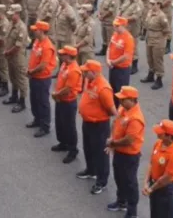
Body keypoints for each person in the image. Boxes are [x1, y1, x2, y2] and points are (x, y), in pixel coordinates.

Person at [77, 60, 117, 195]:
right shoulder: (89, 80)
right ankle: (91, 170)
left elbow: (112, 110)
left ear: (93, 72)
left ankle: (102, 181)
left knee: (101, 153)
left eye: (86, 71)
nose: (84, 72)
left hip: (99, 125)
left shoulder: (104, 88)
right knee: (88, 147)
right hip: (87, 122)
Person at [106, 86, 145, 217]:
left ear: (132, 100)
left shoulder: (136, 118)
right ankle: (121, 201)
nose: (120, 102)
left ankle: (132, 211)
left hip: (129, 155)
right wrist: (112, 138)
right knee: (119, 177)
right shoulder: (123, 109)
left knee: (130, 182)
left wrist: (113, 143)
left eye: (123, 99)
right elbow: (115, 123)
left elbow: (129, 140)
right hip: (119, 151)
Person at [142, 120, 173, 218]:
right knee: (155, 213)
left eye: (161, 133)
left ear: (169, 136)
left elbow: (166, 178)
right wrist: (146, 182)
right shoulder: (158, 143)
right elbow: (152, 163)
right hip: (155, 185)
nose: (158, 133)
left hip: (166, 189)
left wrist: (151, 188)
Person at [52, 45, 83, 164]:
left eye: (63, 54)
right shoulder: (65, 65)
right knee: (60, 123)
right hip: (60, 99)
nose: (60, 55)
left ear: (69, 56)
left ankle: (72, 150)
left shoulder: (74, 70)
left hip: (68, 101)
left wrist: (56, 94)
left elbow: (68, 89)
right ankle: (63, 143)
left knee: (69, 126)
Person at [27, 21, 57, 138]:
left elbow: (43, 65)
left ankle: (45, 126)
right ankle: (37, 119)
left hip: (42, 78)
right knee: (34, 99)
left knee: (43, 102)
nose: (34, 31)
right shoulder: (37, 41)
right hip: (34, 76)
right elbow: (33, 57)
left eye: (36, 30)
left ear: (41, 31)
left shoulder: (47, 46)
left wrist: (31, 71)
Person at [4, 4, 29, 112]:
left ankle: (22, 101)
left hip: (17, 56)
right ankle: (14, 96)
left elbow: (18, 46)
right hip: (10, 55)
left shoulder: (21, 28)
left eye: (12, 14)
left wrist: (7, 52)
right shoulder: (11, 23)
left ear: (17, 14)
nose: (10, 16)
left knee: (21, 79)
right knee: (12, 76)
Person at [141, 0, 170, 89]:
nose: (152, 5)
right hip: (149, 38)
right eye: (151, 4)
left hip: (158, 40)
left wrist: (161, 40)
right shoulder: (150, 13)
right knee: (150, 58)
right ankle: (151, 74)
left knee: (157, 60)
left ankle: (159, 79)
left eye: (154, 4)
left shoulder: (162, 16)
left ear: (159, 4)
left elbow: (166, 30)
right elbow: (146, 24)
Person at [106, 17, 134, 108]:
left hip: (122, 69)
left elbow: (126, 56)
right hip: (113, 66)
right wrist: (107, 60)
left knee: (121, 91)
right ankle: (114, 107)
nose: (115, 27)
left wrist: (113, 62)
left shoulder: (128, 38)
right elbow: (109, 47)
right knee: (112, 89)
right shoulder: (115, 34)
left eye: (117, 26)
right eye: (114, 25)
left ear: (123, 26)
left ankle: (121, 109)